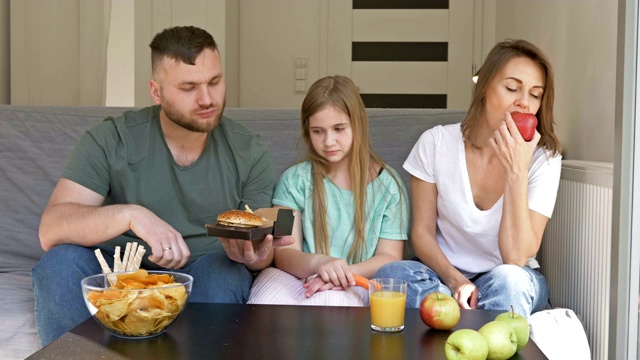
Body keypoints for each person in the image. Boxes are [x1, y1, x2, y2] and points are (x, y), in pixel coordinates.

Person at [33, 25, 292, 346]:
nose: (207, 98)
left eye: (214, 82)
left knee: (226, 272)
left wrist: (256, 255)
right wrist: (130, 214)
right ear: (156, 92)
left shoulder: (249, 149)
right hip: (116, 273)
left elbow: (259, 252)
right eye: (188, 87)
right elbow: (50, 229)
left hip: (204, 273)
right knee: (58, 263)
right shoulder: (110, 139)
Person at [375, 39, 562, 318]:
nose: (524, 102)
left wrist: (516, 170)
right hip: (442, 275)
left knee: (510, 282)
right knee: (393, 274)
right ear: (484, 87)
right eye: (512, 88)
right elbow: (422, 233)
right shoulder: (435, 142)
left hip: (507, 277)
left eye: (535, 94)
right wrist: (455, 280)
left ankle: (467, 329)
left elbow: (515, 258)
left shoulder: (544, 160)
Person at [247, 75, 409, 306]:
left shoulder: (389, 186)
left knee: (330, 302)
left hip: (359, 278)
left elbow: (390, 257)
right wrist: (320, 264)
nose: (329, 141)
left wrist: (341, 274)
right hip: (299, 275)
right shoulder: (294, 180)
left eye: (339, 129)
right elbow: (284, 252)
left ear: (359, 122)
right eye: (318, 131)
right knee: (265, 302)